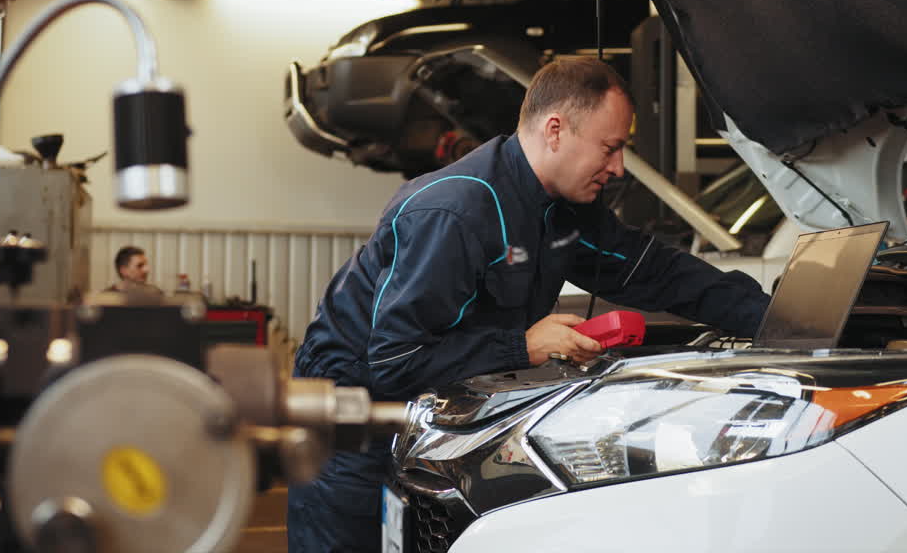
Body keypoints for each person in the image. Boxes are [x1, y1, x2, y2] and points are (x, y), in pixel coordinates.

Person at [287, 56, 769, 552]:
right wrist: (523, 346)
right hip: (352, 421)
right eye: (610, 148)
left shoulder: (562, 210)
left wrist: (775, 317)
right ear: (555, 130)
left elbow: (656, 271)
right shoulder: (456, 212)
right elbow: (394, 362)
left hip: (423, 411)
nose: (618, 168)